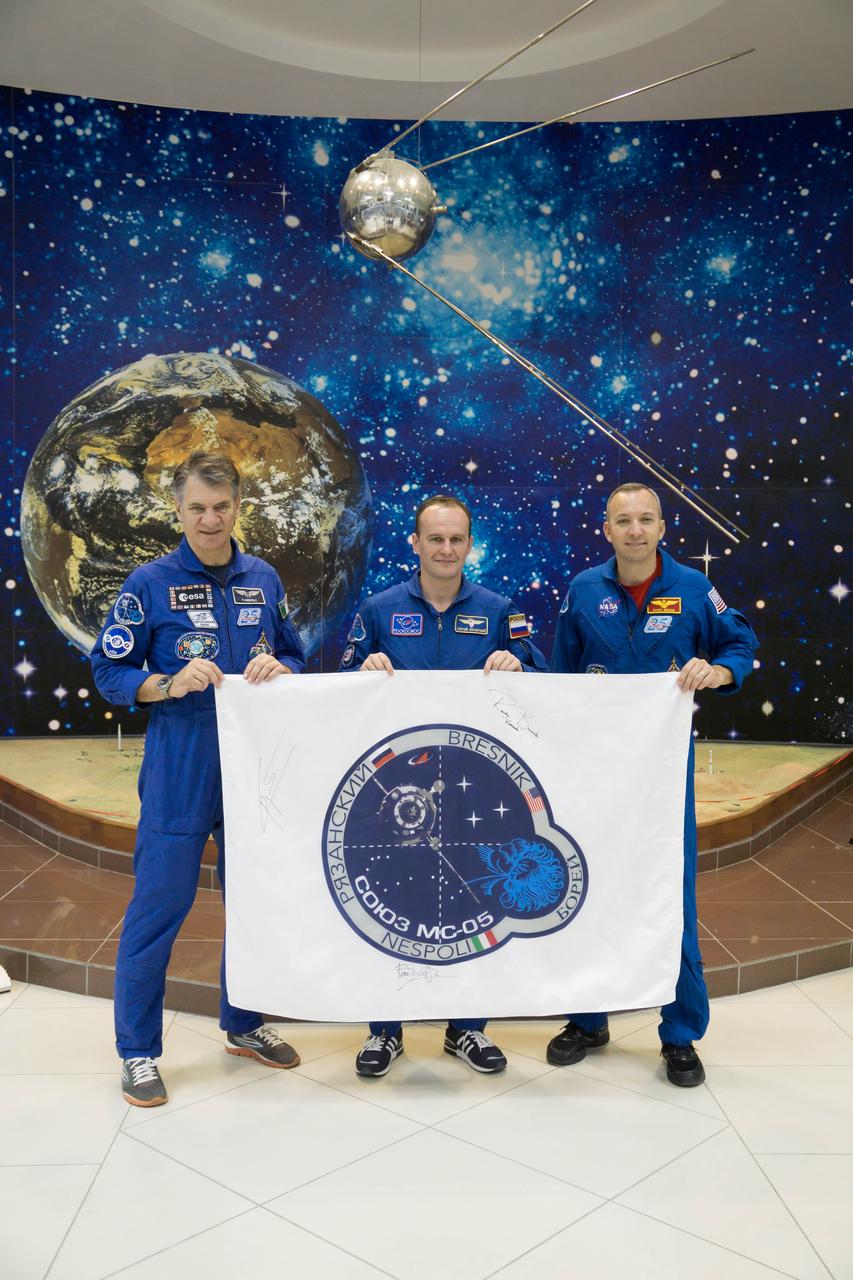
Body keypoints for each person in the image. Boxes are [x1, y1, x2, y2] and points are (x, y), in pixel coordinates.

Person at [91, 451, 306, 1107]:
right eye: (196, 508)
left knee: (252, 904)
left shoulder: (263, 578)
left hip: (253, 766)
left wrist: (283, 669)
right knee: (160, 907)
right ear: (179, 512)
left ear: (238, 507)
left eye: (220, 507)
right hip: (181, 762)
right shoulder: (149, 584)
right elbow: (108, 669)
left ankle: (243, 1023)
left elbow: (295, 651)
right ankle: (137, 1051)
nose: (209, 520)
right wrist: (165, 682)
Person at [546, 481, 757, 1086]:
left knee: (672, 898)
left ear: (663, 528)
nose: (635, 531)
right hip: (595, 776)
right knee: (587, 890)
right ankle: (589, 1020)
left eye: (646, 520)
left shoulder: (693, 589)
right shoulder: (584, 590)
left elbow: (740, 642)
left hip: (664, 781)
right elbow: (561, 677)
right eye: (623, 521)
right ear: (606, 530)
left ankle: (680, 1032)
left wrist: (718, 670)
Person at [340, 492, 549, 1078]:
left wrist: (519, 666)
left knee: (475, 901)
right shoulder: (380, 610)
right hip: (394, 793)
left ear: (469, 544)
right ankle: (386, 1031)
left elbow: (542, 677)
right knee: (391, 901)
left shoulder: (500, 608)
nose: (446, 549)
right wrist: (364, 671)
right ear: (415, 542)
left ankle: (468, 1029)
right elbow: (339, 686)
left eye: (457, 539)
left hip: (475, 790)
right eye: (435, 538)